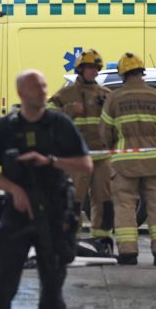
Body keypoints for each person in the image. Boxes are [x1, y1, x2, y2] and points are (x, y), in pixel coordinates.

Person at [0, 69, 93, 309]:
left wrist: (51, 161)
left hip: (54, 210)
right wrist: (15, 190)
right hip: (16, 212)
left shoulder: (59, 124)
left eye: (44, 86)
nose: (43, 91)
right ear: (21, 92)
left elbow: (86, 164)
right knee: (2, 287)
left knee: (52, 291)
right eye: (36, 87)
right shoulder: (4, 128)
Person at [100, 53, 156, 265]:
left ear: (122, 74)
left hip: (125, 162)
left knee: (125, 205)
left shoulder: (114, 98)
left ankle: (128, 253)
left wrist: (114, 147)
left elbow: (105, 132)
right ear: (142, 72)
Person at [47, 49, 114, 256]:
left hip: (102, 158)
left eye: (96, 68)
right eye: (90, 68)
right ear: (80, 69)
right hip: (77, 158)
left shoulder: (107, 95)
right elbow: (46, 115)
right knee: (74, 200)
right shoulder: (65, 94)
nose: (94, 71)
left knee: (103, 200)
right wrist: (68, 110)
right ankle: (70, 240)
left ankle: (101, 240)